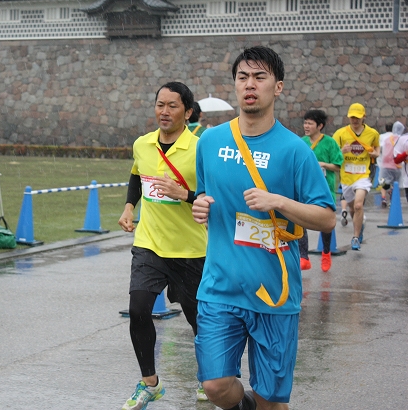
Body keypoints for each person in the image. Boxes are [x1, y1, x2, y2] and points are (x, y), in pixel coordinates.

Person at [191, 46, 336, 410]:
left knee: (271, 402)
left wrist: (279, 202)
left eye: (259, 77)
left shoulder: (295, 150)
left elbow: (326, 218)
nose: (250, 84)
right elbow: (205, 192)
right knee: (215, 386)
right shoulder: (210, 142)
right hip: (220, 286)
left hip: (274, 293)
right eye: (243, 77)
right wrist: (199, 203)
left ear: (278, 87)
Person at [118, 82, 208, 409]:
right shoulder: (142, 144)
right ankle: (150, 384)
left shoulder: (200, 149)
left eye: (172, 106)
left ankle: (210, 377)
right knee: (139, 310)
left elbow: (215, 197)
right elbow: (136, 177)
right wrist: (129, 207)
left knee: (200, 321)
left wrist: (185, 194)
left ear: (188, 112)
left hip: (190, 249)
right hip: (149, 244)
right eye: (160, 104)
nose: (164, 111)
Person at [298, 109, 343, 272]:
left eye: (310, 123)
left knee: (325, 223)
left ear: (320, 126)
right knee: (300, 218)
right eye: (305, 123)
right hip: (304, 187)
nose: (306, 126)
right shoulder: (301, 142)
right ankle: (304, 256)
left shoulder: (330, 143)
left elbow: (337, 165)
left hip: (325, 187)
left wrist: (323, 164)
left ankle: (326, 252)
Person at [332, 103, 380, 250]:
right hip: (346, 177)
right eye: (352, 117)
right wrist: (342, 150)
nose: (355, 120)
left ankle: (355, 237)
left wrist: (376, 153)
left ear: (364, 117)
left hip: (363, 175)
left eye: (358, 117)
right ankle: (359, 227)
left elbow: (377, 148)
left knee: (359, 205)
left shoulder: (372, 133)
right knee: (353, 209)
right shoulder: (340, 133)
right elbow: (333, 153)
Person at [378, 122, 404, 207]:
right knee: (395, 183)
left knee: (383, 182)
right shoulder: (401, 139)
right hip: (397, 165)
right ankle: (392, 198)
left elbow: (380, 148)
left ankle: (383, 197)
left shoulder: (385, 138)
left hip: (385, 165)